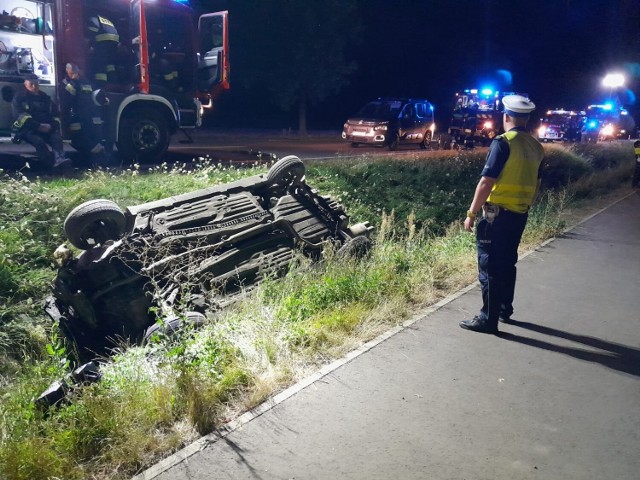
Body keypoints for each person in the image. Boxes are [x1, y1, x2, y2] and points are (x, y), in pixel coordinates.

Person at [460, 94, 544, 334]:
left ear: (506, 116)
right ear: (526, 119)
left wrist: (471, 213)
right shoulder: (536, 146)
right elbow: (537, 183)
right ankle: (505, 309)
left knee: (489, 265)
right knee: (508, 262)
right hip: (520, 214)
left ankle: (489, 318)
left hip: (495, 217)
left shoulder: (503, 142)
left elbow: (486, 182)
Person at [11, 73, 71, 169]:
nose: (34, 86)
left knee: (57, 139)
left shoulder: (45, 98)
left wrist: (51, 126)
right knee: (39, 142)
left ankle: (60, 159)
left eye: (36, 83)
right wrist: (38, 126)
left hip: (47, 128)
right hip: (28, 130)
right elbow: (21, 116)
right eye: (31, 84)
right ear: (25, 84)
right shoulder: (20, 98)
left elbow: (56, 115)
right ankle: (48, 165)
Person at [60, 63, 105, 163]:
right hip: (75, 113)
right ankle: (92, 155)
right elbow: (66, 99)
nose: (73, 75)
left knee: (89, 133)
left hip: (87, 113)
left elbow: (91, 95)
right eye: (71, 73)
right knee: (78, 135)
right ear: (67, 71)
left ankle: (94, 156)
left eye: (74, 73)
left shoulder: (85, 82)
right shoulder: (68, 83)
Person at [86, 15, 120, 88]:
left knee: (101, 63)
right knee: (110, 64)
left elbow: (92, 31)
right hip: (114, 42)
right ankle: (113, 80)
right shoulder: (105, 20)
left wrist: (91, 44)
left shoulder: (92, 18)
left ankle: (100, 84)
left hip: (103, 41)